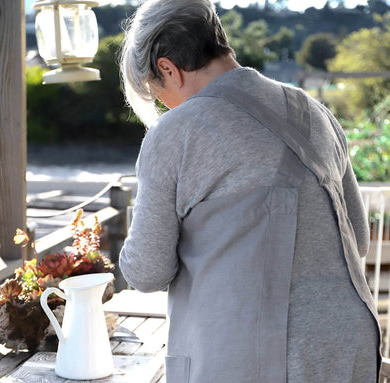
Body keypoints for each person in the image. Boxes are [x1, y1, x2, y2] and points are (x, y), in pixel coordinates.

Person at [118, 1, 382, 382]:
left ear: (167, 69)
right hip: (347, 345)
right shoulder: (317, 114)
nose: (163, 107)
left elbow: (145, 271)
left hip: (254, 354)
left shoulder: (176, 131)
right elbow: (356, 239)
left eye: (156, 95)